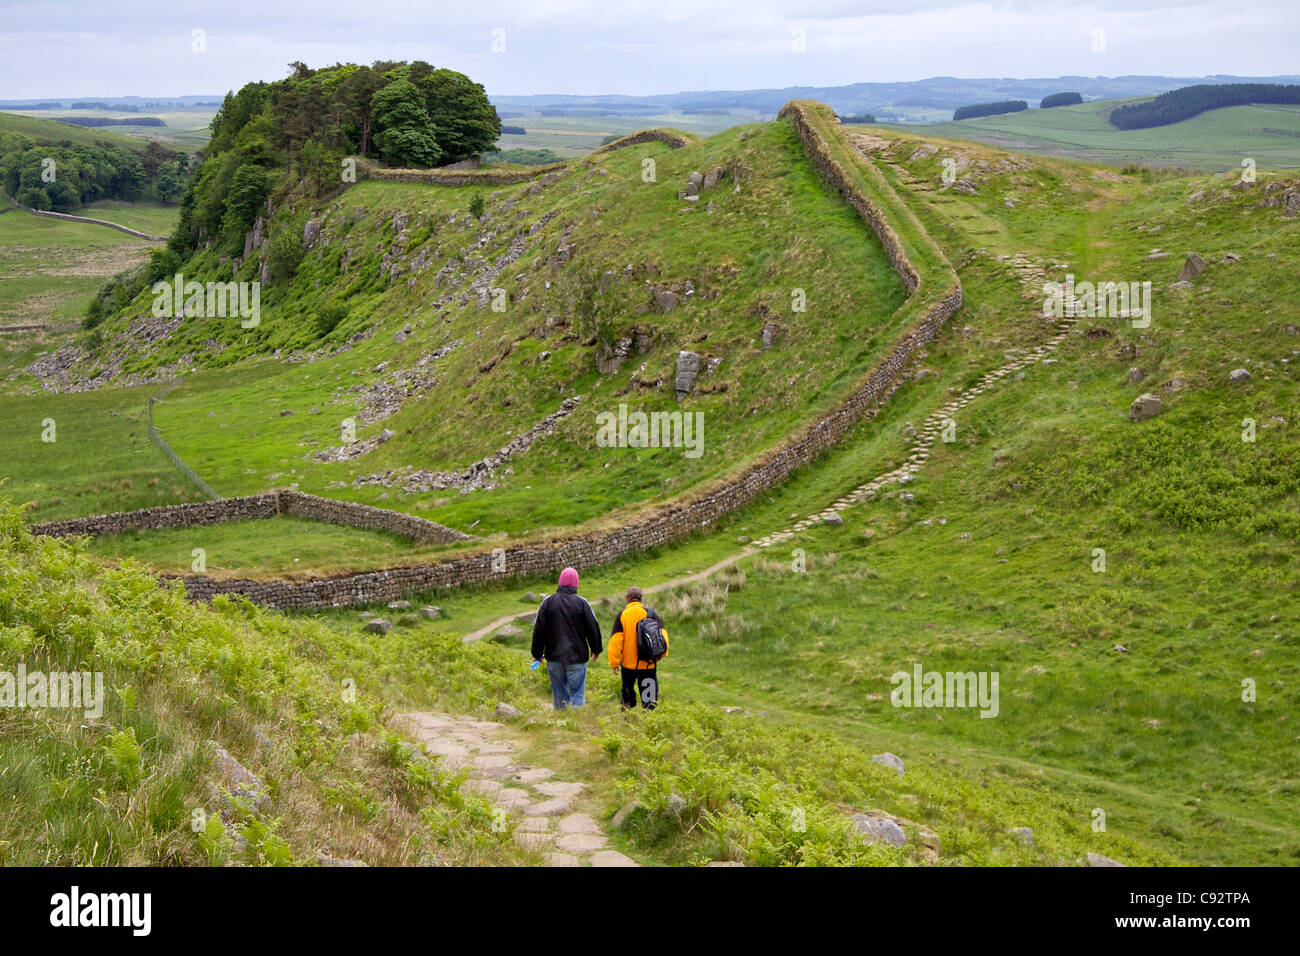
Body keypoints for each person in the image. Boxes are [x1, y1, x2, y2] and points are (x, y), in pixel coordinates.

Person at [531, 567, 602, 710]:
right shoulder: (582, 603)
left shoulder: (548, 602)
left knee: (559, 696)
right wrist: (596, 649)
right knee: (577, 695)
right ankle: (577, 726)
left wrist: (537, 654)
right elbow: (593, 627)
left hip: (554, 656)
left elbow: (539, 629)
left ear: (560, 582)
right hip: (577, 657)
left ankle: (561, 724)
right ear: (576, 583)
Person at [608, 586, 668, 710]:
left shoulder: (622, 615)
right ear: (640, 599)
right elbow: (663, 637)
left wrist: (614, 663)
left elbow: (616, 641)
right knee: (649, 698)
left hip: (628, 666)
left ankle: (628, 719)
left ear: (627, 599)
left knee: (627, 694)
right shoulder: (651, 614)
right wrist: (660, 655)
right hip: (648, 664)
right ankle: (649, 721)